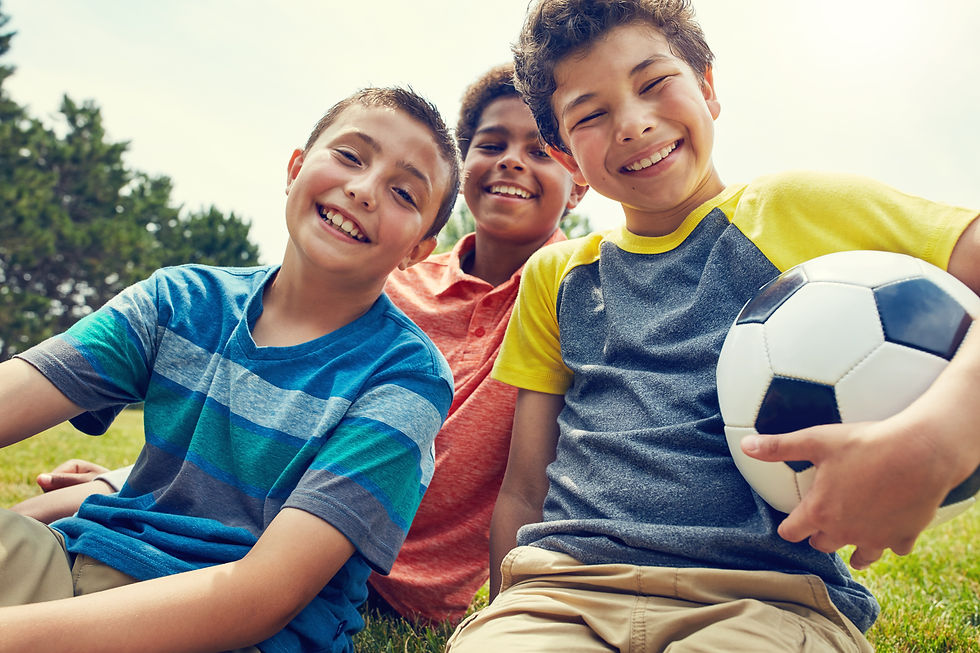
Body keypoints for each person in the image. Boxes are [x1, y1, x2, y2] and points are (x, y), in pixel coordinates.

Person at [445, 1, 980, 651]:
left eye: (653, 82)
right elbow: (526, 486)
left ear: (707, 87)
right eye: (591, 114)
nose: (633, 125)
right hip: (561, 594)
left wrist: (938, 436)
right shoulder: (556, 276)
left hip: (767, 600)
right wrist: (511, 611)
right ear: (567, 155)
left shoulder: (796, 208)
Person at [11, 63, 588, 626]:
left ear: (578, 180)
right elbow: (261, 385)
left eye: (540, 150)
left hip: (336, 563)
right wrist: (127, 482)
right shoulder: (378, 278)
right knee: (58, 518)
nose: (512, 160)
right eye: (492, 144)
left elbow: (533, 483)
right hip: (234, 508)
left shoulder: (573, 305)